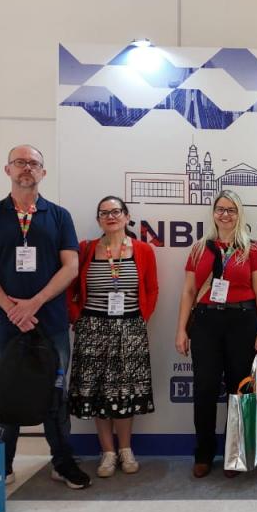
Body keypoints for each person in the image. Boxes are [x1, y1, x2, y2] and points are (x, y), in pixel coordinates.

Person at [0, 144, 91, 489]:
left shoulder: (59, 216)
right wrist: (12, 309)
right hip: (4, 324)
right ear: (7, 169)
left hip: (49, 322)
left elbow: (70, 267)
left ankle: (63, 463)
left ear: (43, 172)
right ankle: (2, 467)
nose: (27, 168)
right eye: (20, 162)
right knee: (6, 394)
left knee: (55, 393)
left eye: (34, 163)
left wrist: (33, 304)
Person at [175, 190, 257, 478]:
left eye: (231, 209)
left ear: (239, 214)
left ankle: (235, 454)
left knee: (237, 392)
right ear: (213, 213)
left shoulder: (251, 249)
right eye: (220, 209)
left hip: (243, 321)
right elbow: (189, 292)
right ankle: (203, 454)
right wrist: (181, 329)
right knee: (204, 388)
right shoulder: (199, 248)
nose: (225, 214)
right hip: (205, 323)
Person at [67, 196, 159, 478]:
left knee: (124, 393)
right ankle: (107, 452)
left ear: (127, 216)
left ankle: (125, 449)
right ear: (98, 220)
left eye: (116, 211)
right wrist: (78, 318)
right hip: (92, 328)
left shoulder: (143, 250)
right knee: (97, 393)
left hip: (129, 329)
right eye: (104, 213)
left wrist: (139, 320)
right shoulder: (86, 249)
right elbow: (70, 289)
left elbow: (152, 289)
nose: (110, 217)